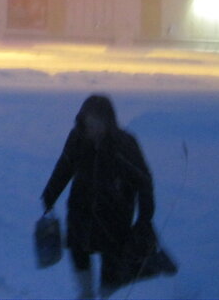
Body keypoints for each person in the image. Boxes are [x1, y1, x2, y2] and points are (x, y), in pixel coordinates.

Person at [41, 94, 155, 299]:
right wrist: (50, 194)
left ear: (108, 122)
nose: (91, 129)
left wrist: (145, 219)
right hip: (80, 210)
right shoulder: (77, 138)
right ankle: (86, 294)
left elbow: (144, 182)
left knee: (111, 262)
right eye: (87, 123)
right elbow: (65, 166)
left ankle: (107, 296)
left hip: (114, 216)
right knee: (78, 251)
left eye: (96, 123)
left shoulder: (125, 144)